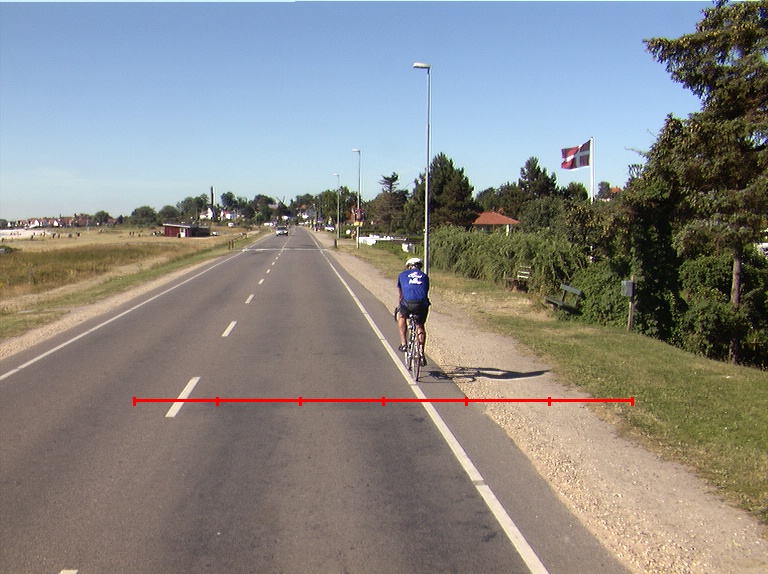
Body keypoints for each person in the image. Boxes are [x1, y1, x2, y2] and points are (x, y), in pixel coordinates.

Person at [396, 257, 430, 362]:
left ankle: (404, 343)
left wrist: (400, 305)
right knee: (420, 325)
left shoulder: (402, 275)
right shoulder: (425, 276)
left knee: (402, 316)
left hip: (407, 303)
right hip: (421, 304)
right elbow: (425, 292)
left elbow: (401, 294)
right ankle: (421, 351)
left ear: (409, 266)